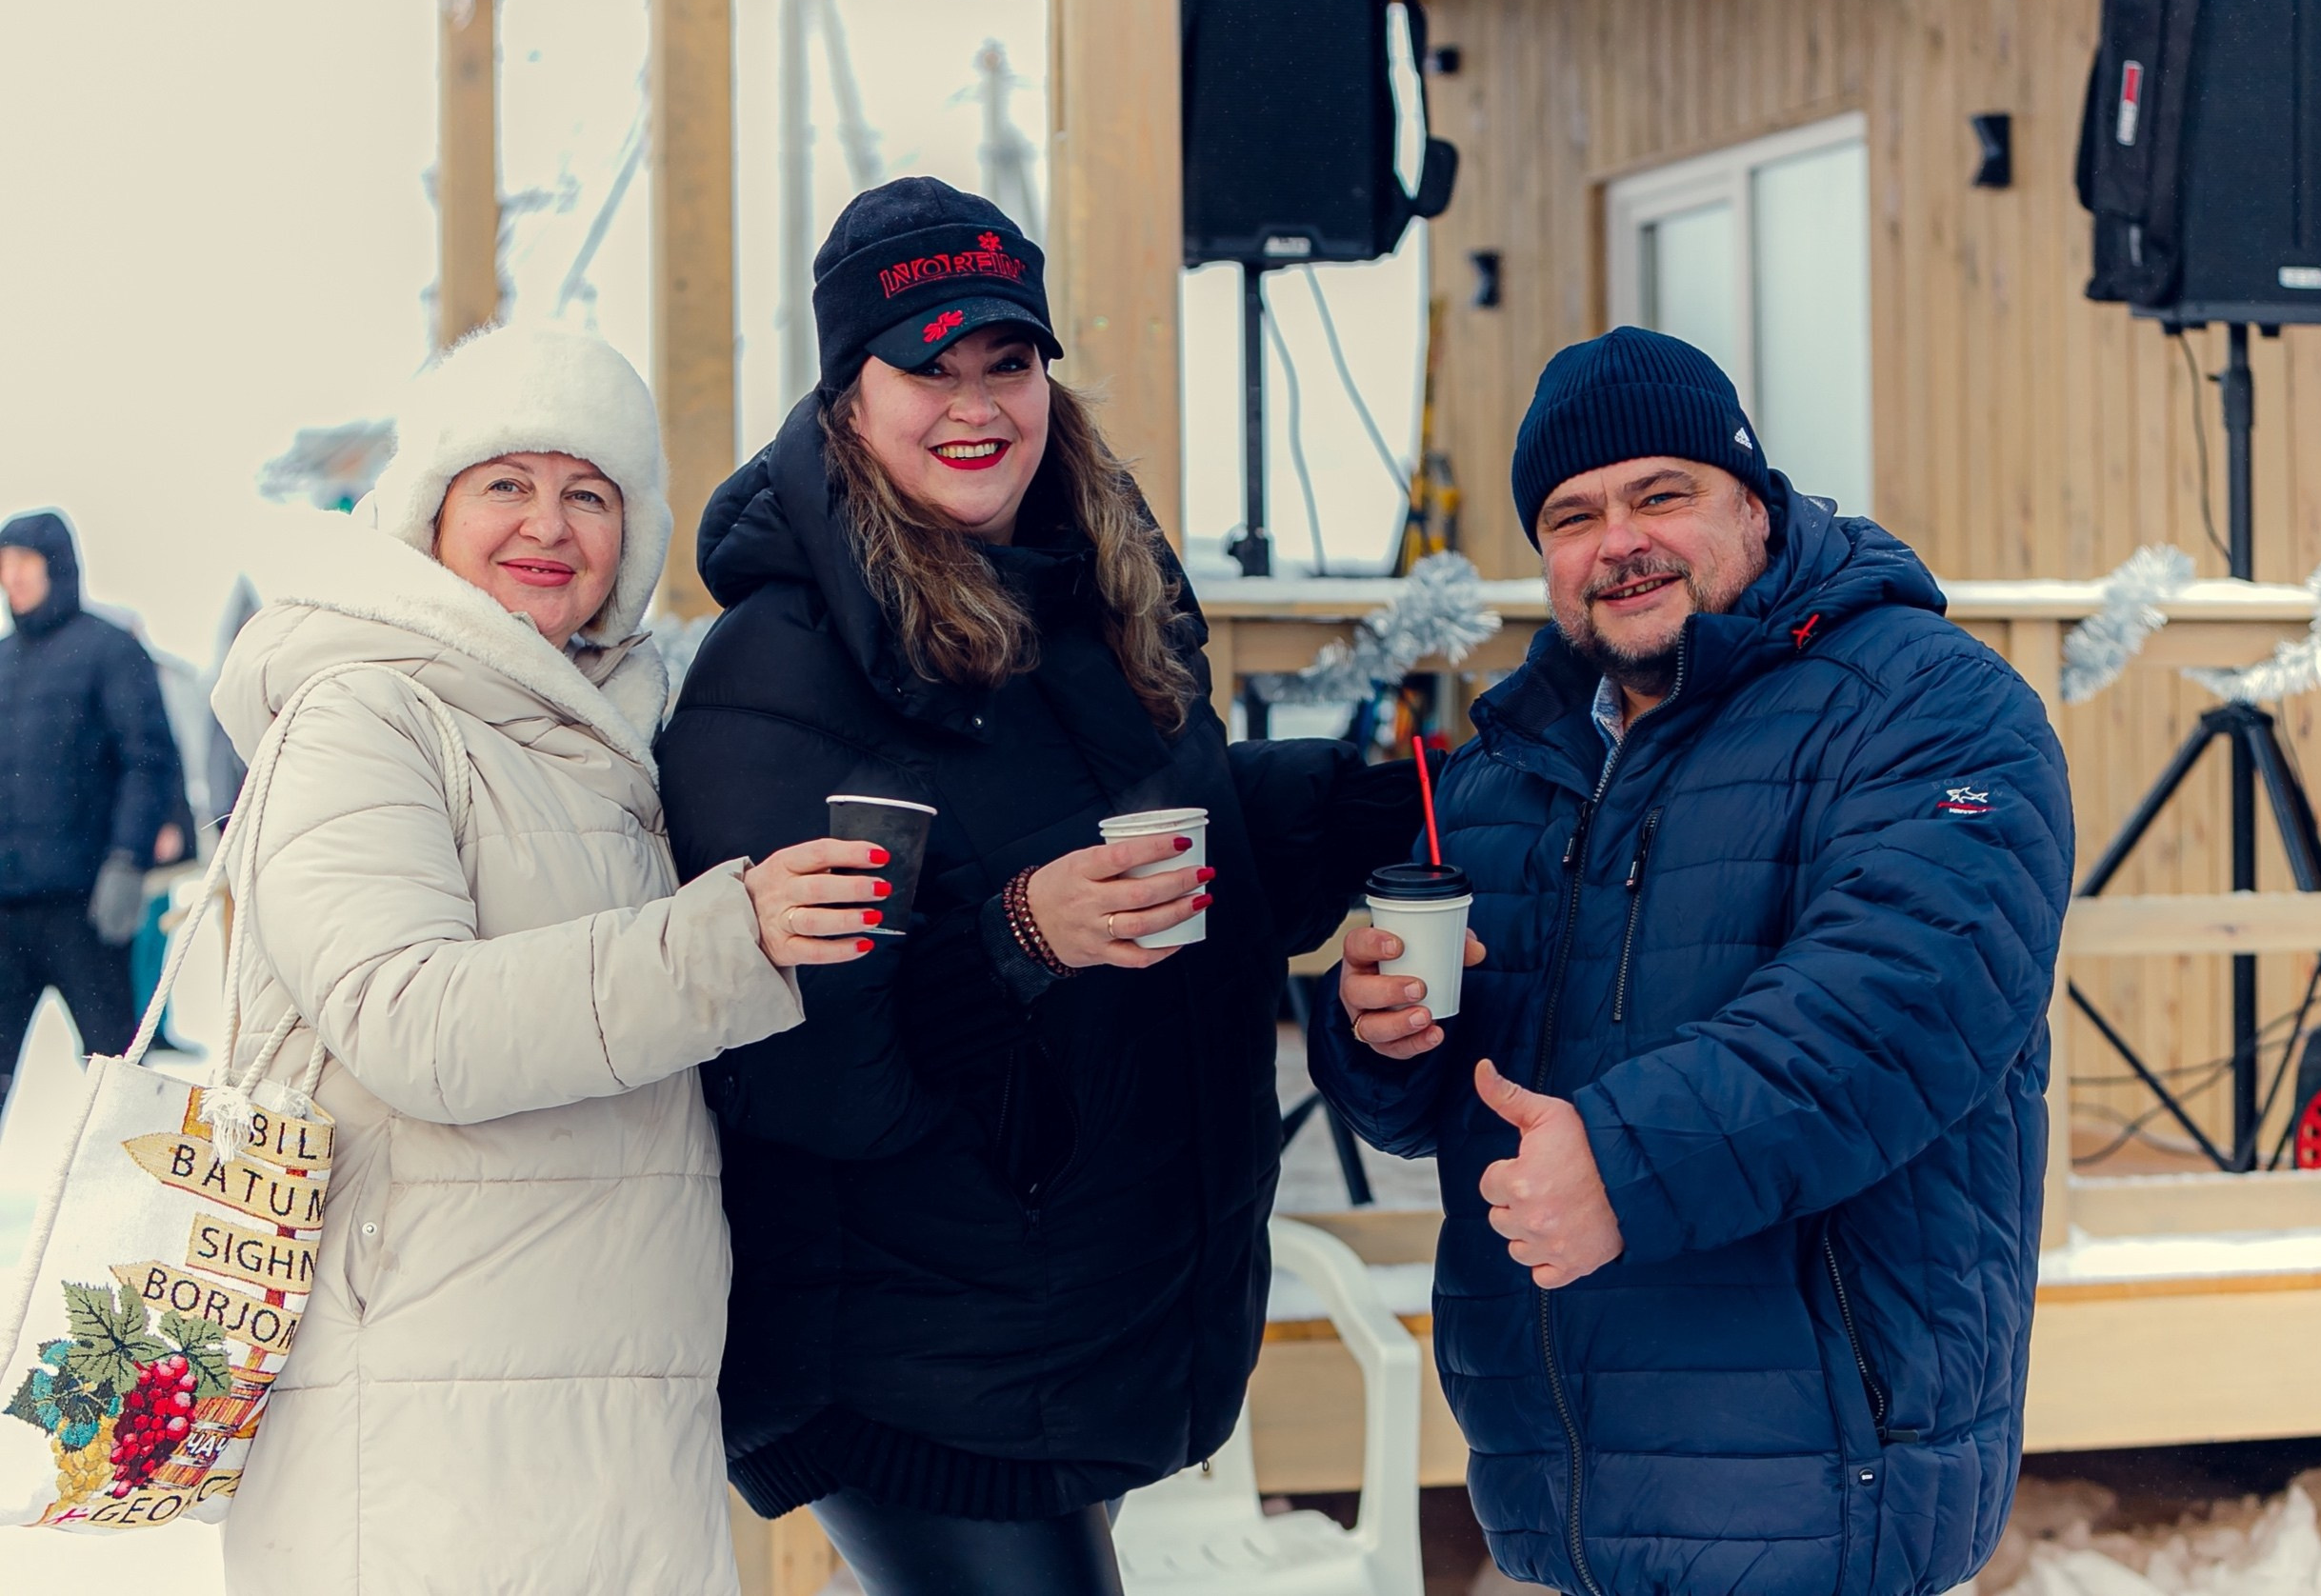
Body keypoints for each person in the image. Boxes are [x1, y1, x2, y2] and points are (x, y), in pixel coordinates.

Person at [655, 178, 1423, 1596]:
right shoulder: (781, 665)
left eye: (1007, 361)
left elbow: (1180, 849)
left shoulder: (1094, 586)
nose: (976, 404)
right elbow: (809, 1069)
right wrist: (1020, 932)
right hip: (912, 1357)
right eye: (926, 366)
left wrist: (1402, 798)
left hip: (1067, 1319)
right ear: (847, 391)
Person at [1311, 328, 2073, 1596]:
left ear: (1754, 503)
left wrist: (1624, 1156)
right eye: (1573, 513)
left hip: (1819, 1462)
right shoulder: (1510, 763)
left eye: (1661, 493)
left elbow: (1904, 998)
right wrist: (1375, 1032)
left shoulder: (1927, 700)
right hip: (1563, 1471)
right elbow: (1449, 1095)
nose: (1619, 540)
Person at [209, 324, 882, 1595]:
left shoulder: (619, 736)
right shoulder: (366, 710)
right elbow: (414, 1022)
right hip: (425, 1409)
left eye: (590, 493)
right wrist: (727, 940)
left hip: (608, 1401)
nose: (549, 525)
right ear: (431, 511)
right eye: (505, 485)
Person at [0, 508, 185, 1101]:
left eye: (24, 562)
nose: (13, 577)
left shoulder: (108, 650)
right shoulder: (2, 662)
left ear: (56, 565)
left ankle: (133, 1190)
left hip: (87, 907)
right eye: (4, 565)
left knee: (116, 1078)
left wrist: (127, 859)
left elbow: (147, 759)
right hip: (6, 909)